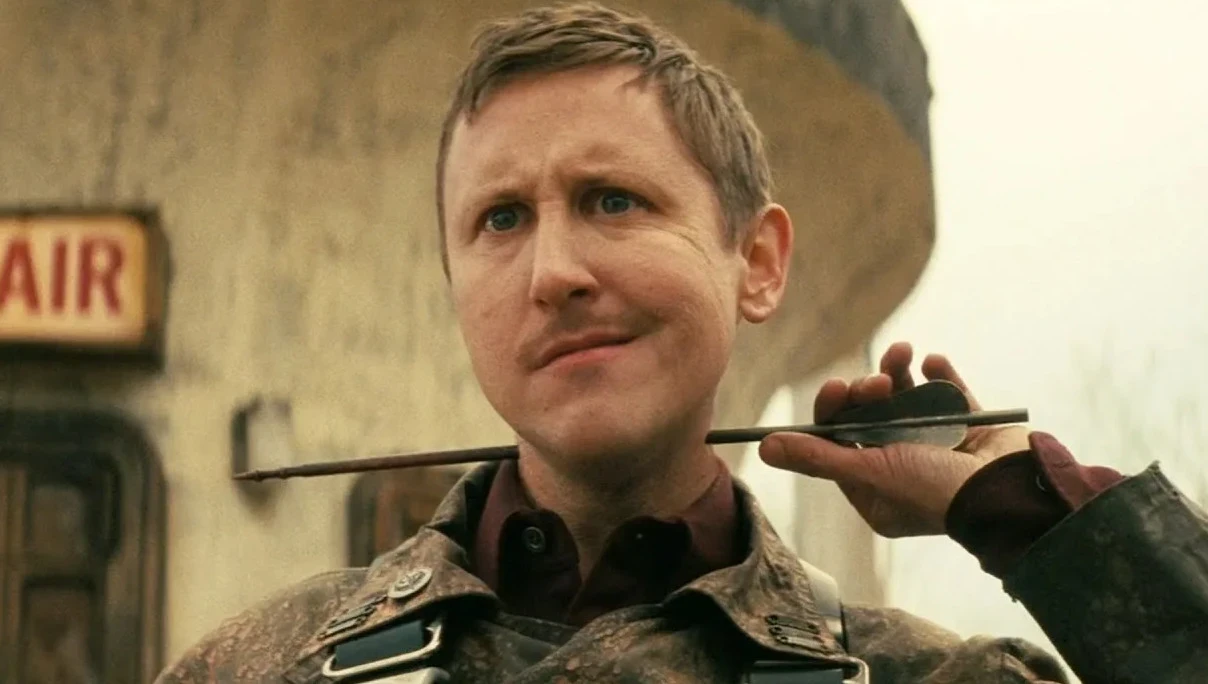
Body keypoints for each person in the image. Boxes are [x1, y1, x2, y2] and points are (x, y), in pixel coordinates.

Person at [155, 3, 1208, 683]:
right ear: (456, 289)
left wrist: (1035, 515)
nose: (553, 272)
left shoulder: (916, 676)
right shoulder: (263, 665)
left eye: (612, 200)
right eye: (500, 219)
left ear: (757, 262)